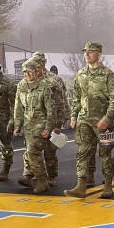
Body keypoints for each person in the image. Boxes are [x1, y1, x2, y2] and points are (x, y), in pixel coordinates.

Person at [65, 41, 114, 199]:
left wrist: (108, 118)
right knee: (82, 152)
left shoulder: (108, 75)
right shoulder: (80, 74)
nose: (87, 54)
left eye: (90, 51)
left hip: (104, 122)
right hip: (85, 120)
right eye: (85, 52)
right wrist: (74, 116)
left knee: (105, 154)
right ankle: (81, 185)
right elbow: (76, 97)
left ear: (99, 54)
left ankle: (108, 185)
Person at [13, 59, 57, 194]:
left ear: (36, 72)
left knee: (33, 151)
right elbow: (18, 107)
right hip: (28, 125)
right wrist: (17, 124)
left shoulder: (44, 87)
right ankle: (40, 178)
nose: (27, 74)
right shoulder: (21, 86)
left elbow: (51, 110)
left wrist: (48, 127)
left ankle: (42, 180)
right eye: (25, 72)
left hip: (41, 124)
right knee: (31, 153)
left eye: (30, 72)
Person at [33, 51, 68, 182]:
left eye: (40, 62)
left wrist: (60, 122)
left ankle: (51, 176)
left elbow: (61, 101)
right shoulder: (30, 78)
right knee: (32, 150)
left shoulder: (54, 79)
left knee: (49, 151)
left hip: (50, 119)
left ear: (44, 62)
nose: (37, 65)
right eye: (35, 62)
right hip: (33, 121)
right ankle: (34, 175)